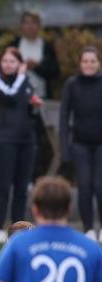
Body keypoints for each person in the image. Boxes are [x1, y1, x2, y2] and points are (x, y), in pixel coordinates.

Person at [0, 47, 42, 244]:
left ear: (19, 63)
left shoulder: (27, 83)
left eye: (12, 61)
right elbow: (10, 96)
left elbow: (27, 111)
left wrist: (34, 106)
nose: (8, 65)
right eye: (5, 61)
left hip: (26, 141)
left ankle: (18, 230)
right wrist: (21, 76)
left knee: (22, 187)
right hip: (4, 141)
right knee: (4, 185)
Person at [59, 47, 102, 240]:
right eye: (85, 61)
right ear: (80, 63)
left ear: (98, 63)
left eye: (93, 61)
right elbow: (64, 116)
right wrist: (64, 147)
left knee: (100, 185)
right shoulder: (72, 84)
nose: (89, 64)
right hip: (80, 143)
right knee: (84, 185)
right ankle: (88, 229)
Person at [10, 10, 60, 101]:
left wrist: (36, 67)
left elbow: (55, 72)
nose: (30, 26)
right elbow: (6, 70)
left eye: (33, 22)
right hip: (19, 97)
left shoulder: (47, 46)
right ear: (21, 26)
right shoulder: (14, 45)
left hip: (42, 97)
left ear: (39, 25)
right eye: (26, 23)